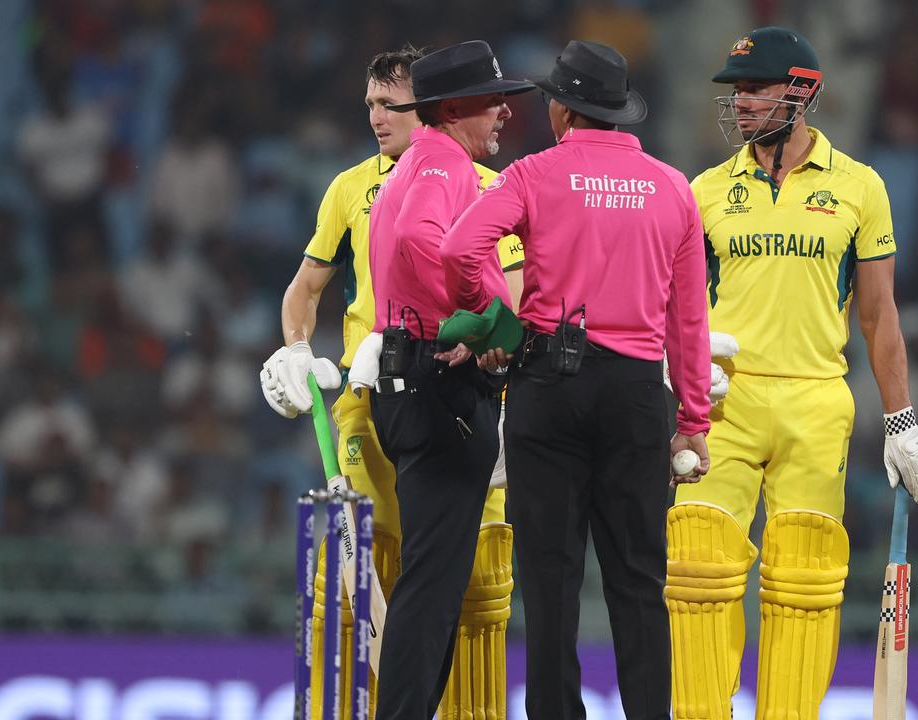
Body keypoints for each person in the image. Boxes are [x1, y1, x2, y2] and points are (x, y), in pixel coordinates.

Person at [665, 27, 918, 719]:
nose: (744, 102)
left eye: (758, 88)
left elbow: (879, 316)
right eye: (738, 90)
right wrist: (680, 381)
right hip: (724, 401)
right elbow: (677, 308)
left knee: (806, 576)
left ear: (803, 92)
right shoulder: (703, 190)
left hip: (817, 399)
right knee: (698, 568)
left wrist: (902, 420)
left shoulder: (859, 187)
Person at [442, 40, 711, 720]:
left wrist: (498, 321)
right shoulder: (673, 188)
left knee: (551, 581)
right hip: (635, 393)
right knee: (639, 582)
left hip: (548, 385)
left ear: (562, 109)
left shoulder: (533, 174)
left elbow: (458, 248)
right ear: (616, 111)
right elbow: (689, 319)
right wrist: (694, 422)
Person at [257, 47, 523, 720]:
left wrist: (491, 334)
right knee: (363, 577)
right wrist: (294, 350)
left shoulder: (479, 181)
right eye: (369, 104)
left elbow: (510, 292)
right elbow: (306, 289)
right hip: (396, 391)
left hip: (413, 382)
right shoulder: (359, 186)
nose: (375, 117)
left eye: (388, 104)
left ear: (423, 105)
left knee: (461, 581)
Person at [349, 41, 532, 720]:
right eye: (492, 100)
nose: (505, 112)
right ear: (453, 109)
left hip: (414, 378)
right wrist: (483, 322)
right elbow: (429, 243)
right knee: (431, 583)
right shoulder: (442, 163)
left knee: (435, 578)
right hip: (436, 385)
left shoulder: (419, 161)